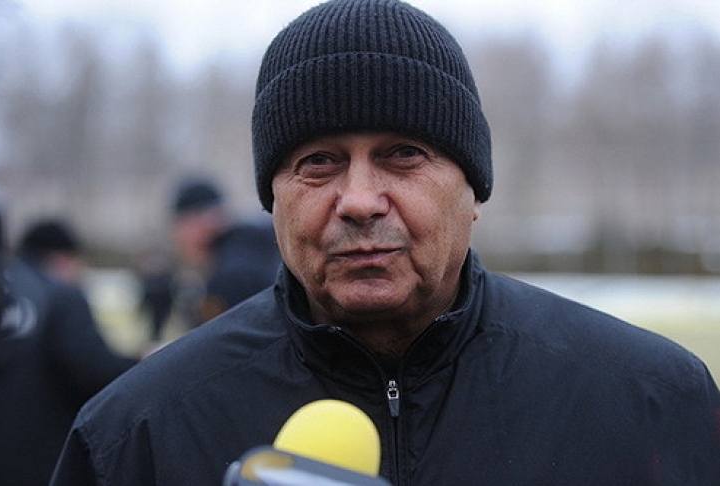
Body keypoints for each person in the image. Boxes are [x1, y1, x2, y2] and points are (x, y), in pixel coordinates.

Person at [51, 1, 720, 485]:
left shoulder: (650, 402)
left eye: (403, 154)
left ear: (473, 190)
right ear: (272, 199)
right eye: (318, 161)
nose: (360, 200)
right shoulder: (135, 434)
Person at [0, 217, 138, 486]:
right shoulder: (59, 298)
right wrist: (145, 365)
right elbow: (95, 370)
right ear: (63, 259)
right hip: (44, 460)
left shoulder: (6, 294)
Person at [154, 176, 281, 335]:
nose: (177, 238)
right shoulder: (252, 250)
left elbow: (222, 341)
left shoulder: (231, 276)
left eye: (180, 226)